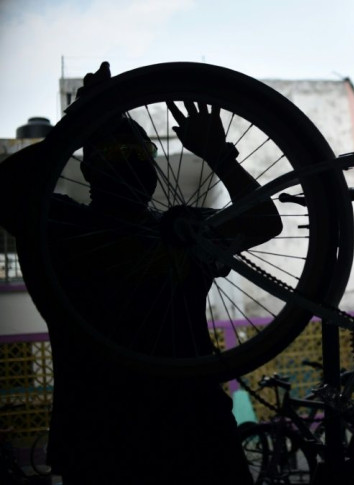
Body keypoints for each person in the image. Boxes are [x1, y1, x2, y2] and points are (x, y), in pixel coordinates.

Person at [0, 63, 281, 484]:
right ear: (89, 168)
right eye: (116, 153)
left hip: (179, 432)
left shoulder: (178, 228)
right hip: (117, 439)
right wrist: (81, 121)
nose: (132, 161)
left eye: (141, 153)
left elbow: (263, 221)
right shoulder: (59, 226)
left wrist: (219, 154)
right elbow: (5, 188)